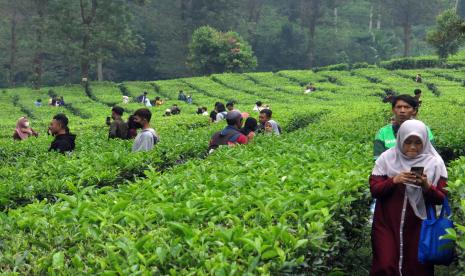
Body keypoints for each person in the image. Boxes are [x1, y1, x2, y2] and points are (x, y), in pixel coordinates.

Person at [369, 120, 447, 275]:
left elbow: (441, 198)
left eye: (418, 142)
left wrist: (426, 186)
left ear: (424, 141)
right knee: (385, 263)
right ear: (400, 140)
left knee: (417, 266)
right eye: (408, 142)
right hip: (387, 223)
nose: (412, 147)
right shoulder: (387, 158)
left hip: (419, 226)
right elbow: (375, 190)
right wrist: (394, 180)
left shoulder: (435, 163)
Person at [374, 95, 434, 160]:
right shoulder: (383, 132)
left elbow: (430, 157)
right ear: (393, 110)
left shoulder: (425, 130)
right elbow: (379, 160)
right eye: (399, 107)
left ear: (414, 111)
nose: (402, 110)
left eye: (407, 107)